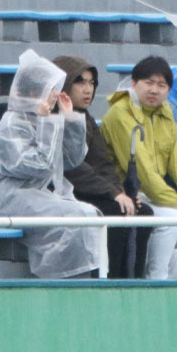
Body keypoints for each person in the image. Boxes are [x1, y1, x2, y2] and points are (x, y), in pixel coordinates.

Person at [0, 50, 102, 279]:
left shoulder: (44, 118)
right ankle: (62, 278)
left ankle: (84, 278)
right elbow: (38, 165)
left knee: (91, 213)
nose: (55, 95)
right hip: (10, 195)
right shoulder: (12, 123)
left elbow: (71, 160)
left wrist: (71, 121)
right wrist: (48, 123)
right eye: (50, 89)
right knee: (77, 215)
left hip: (37, 194)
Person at [101, 56, 177, 280]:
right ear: (134, 84)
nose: (154, 90)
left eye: (162, 85)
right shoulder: (120, 113)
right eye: (149, 82)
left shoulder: (165, 115)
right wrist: (172, 200)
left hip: (158, 197)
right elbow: (141, 171)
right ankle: (156, 279)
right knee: (169, 219)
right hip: (129, 195)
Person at [53, 56, 140, 279]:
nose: (88, 89)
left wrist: (121, 192)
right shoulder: (53, 117)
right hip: (64, 193)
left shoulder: (86, 118)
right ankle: (107, 281)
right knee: (114, 211)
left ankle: (134, 281)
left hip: (92, 190)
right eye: (80, 82)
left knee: (140, 212)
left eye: (92, 83)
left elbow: (103, 164)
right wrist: (112, 193)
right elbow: (72, 168)